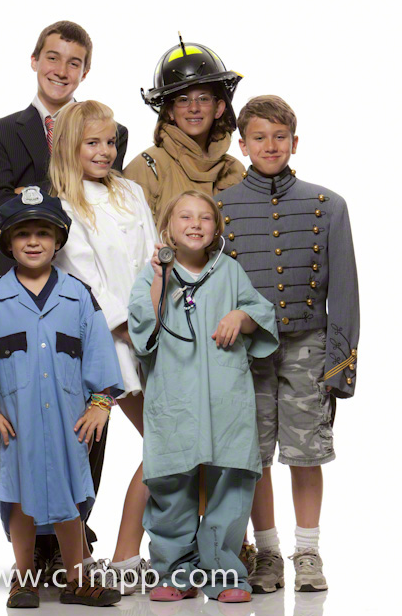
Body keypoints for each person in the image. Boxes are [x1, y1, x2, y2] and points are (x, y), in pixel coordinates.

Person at [0, 19, 128, 566]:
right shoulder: (2, 132)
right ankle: (31, 547)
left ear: (86, 70)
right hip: (17, 291)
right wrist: (40, 205)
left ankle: (73, 535)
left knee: (87, 417)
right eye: (53, 58)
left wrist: (30, 191)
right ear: (34, 60)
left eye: (74, 62)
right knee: (21, 419)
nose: (62, 70)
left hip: (84, 293)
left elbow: (104, 199)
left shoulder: (109, 130)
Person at [0, 188, 124, 608]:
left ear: (58, 240)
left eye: (43, 233)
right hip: (16, 425)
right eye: (23, 234)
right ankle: (23, 579)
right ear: (7, 243)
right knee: (18, 499)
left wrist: (100, 403)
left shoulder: (78, 296)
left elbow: (99, 352)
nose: (33, 241)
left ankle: (77, 580)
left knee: (71, 499)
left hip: (69, 423)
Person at [216, 95, 360, 593]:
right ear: (243, 144)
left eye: (280, 137)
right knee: (253, 456)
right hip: (245, 353)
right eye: (259, 137)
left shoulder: (328, 205)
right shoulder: (221, 208)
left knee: (305, 454)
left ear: (295, 142)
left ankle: (308, 551)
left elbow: (345, 294)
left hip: (308, 348)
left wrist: (340, 368)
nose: (270, 146)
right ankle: (268, 553)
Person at [128, 190, 279, 602]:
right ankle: (172, 572)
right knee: (171, 485)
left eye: (205, 218)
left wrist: (240, 316)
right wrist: (160, 278)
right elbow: (142, 331)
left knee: (231, 485)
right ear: (167, 228)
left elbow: (262, 315)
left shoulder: (230, 271)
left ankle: (224, 574)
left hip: (226, 399)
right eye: (185, 216)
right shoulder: (152, 274)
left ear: (216, 229)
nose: (195, 224)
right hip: (174, 399)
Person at [50, 100, 158, 592]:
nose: (105, 151)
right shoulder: (62, 205)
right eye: (92, 142)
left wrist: (158, 320)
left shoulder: (131, 191)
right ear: (69, 147)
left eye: (110, 141)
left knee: (168, 443)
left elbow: (156, 258)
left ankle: (127, 555)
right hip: (104, 344)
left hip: (154, 332)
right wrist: (132, 328)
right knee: (78, 454)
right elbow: (86, 280)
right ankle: (80, 559)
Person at [123, 35, 246, 225]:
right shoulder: (146, 168)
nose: (193, 108)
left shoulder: (235, 171)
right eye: (183, 100)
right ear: (170, 111)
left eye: (203, 98)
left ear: (219, 108)